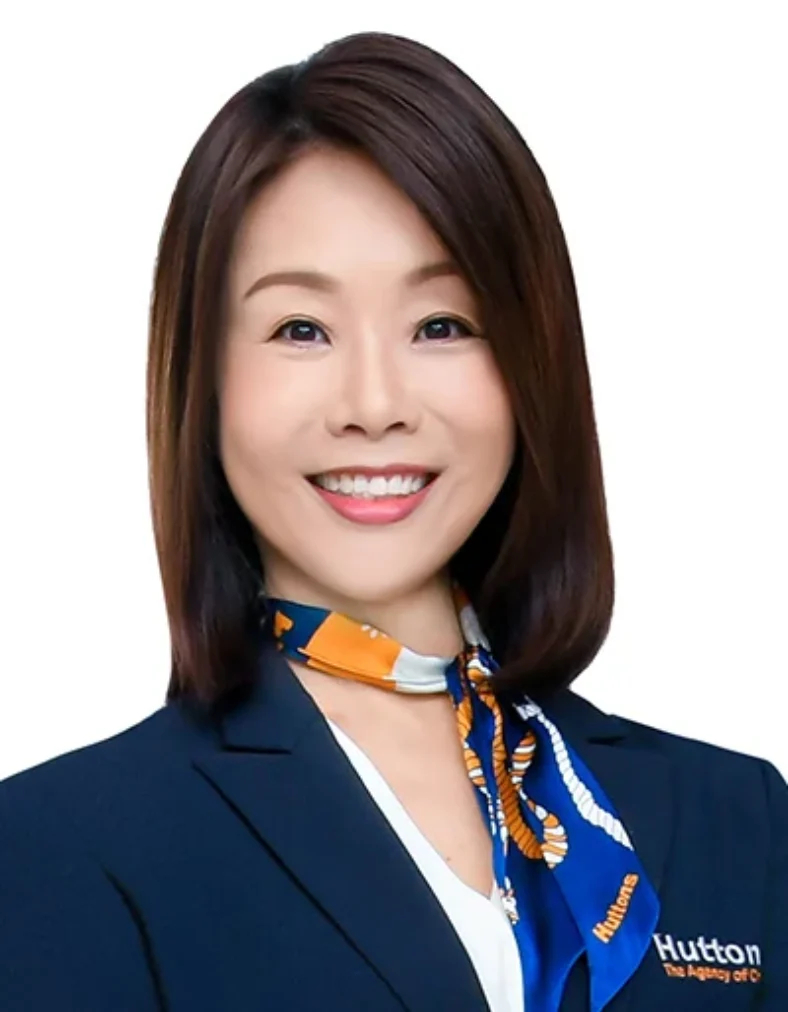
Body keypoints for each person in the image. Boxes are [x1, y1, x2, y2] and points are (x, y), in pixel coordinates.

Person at [1, 30, 785, 1012]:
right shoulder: (65, 845)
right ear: (203, 383)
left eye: (441, 325)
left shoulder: (738, 821)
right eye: (300, 329)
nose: (374, 404)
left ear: (531, 365)